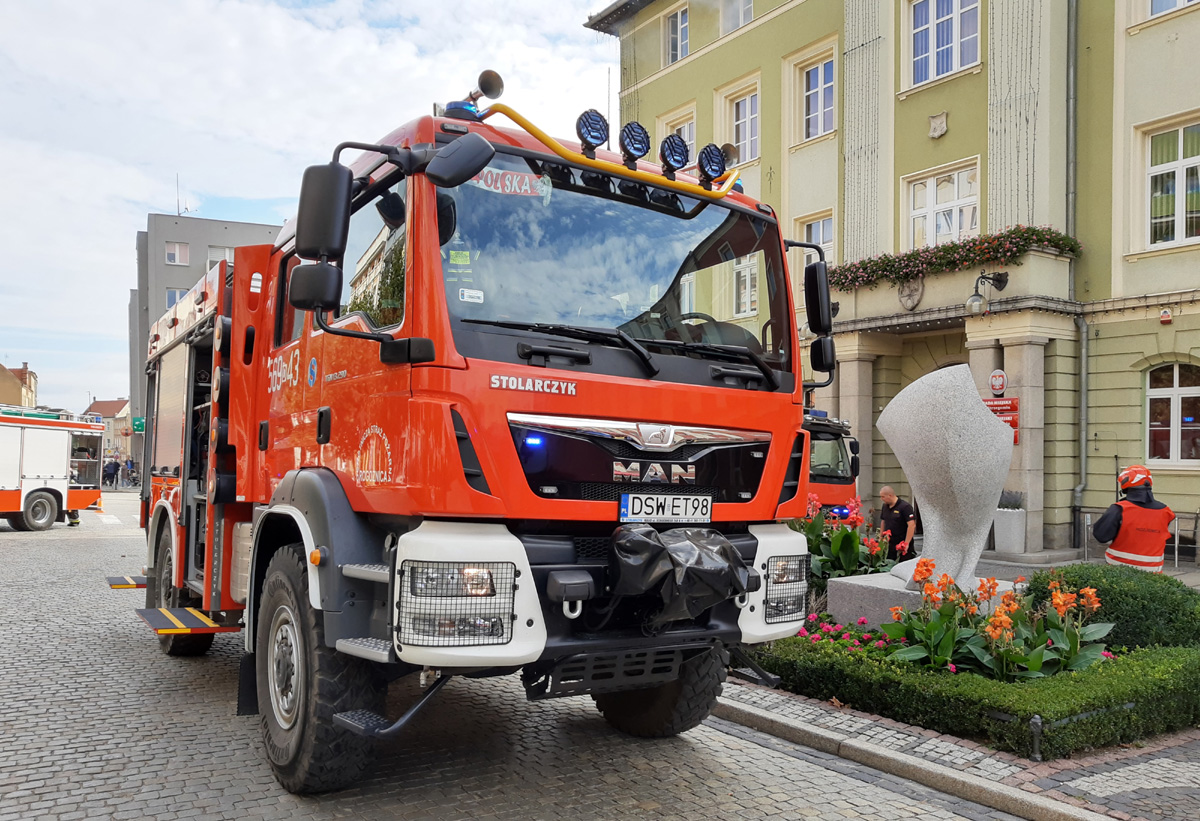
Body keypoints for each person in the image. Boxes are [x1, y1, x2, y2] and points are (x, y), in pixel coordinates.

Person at [1093, 464, 1175, 572]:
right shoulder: (1165, 511)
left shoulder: (1120, 509)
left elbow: (1101, 536)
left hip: (1119, 570)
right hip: (1153, 572)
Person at [879, 485, 917, 560]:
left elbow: (911, 525)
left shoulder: (905, 507)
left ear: (890, 495)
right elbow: (883, 521)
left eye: (883, 497)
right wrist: (880, 537)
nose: (881, 499)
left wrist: (906, 543)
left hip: (901, 543)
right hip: (889, 544)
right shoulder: (885, 506)